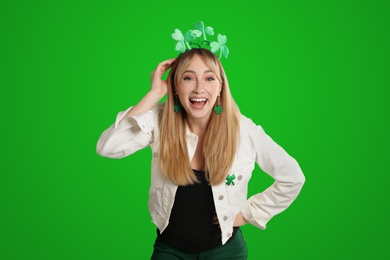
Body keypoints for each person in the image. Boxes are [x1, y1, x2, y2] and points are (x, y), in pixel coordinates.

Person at [96, 48, 305, 259]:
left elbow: (293, 178)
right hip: (169, 250)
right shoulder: (159, 121)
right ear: (175, 86)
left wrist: (247, 214)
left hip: (226, 251)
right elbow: (108, 147)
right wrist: (155, 94)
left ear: (220, 87)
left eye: (209, 78)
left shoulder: (244, 130)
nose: (199, 88)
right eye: (188, 78)